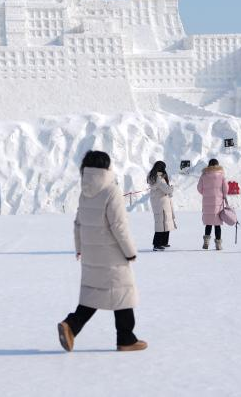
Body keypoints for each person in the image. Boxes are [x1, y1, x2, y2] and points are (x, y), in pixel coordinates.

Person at [57, 150, 146, 353]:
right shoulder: (111, 190)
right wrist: (130, 251)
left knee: (94, 294)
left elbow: (78, 223)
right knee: (122, 293)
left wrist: (79, 248)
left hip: (91, 254)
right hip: (112, 254)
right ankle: (125, 338)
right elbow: (119, 226)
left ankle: (72, 325)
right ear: (105, 167)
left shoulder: (84, 191)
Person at [197, 159, 227, 251]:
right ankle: (218, 245)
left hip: (207, 202)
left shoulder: (204, 175)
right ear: (217, 165)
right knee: (217, 224)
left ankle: (206, 242)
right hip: (218, 202)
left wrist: (206, 194)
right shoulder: (221, 176)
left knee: (208, 223)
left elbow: (199, 188)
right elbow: (226, 189)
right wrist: (221, 194)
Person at [147, 161, 176, 251]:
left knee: (163, 222)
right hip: (162, 203)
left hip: (157, 203)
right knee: (162, 222)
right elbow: (167, 190)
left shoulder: (153, 177)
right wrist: (172, 187)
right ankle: (157, 244)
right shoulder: (159, 178)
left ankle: (163, 242)